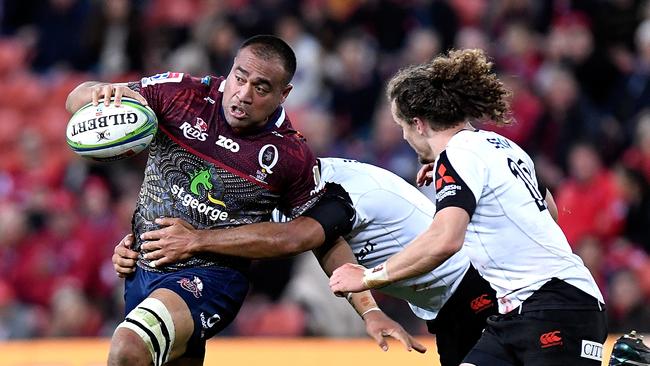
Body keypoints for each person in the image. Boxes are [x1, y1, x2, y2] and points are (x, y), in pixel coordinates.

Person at [66, 35, 406, 366]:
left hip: (211, 279)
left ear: (283, 94)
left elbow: (322, 235)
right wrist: (93, 93)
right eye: (239, 78)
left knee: (128, 348)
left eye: (260, 88)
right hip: (143, 268)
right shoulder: (181, 94)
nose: (242, 95)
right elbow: (75, 103)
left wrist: (369, 310)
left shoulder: (289, 154)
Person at [329, 49, 608, 366]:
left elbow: (445, 240)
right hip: (516, 310)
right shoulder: (500, 145)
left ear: (418, 124)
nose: (405, 138)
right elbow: (550, 211)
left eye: (403, 128)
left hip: (557, 304)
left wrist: (369, 278)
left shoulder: (458, 157)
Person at [113, 157, 495, 366]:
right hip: (443, 307)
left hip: (475, 291)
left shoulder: (341, 196)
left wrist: (369, 308)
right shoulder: (281, 197)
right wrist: (138, 246)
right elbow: (239, 234)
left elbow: (314, 239)